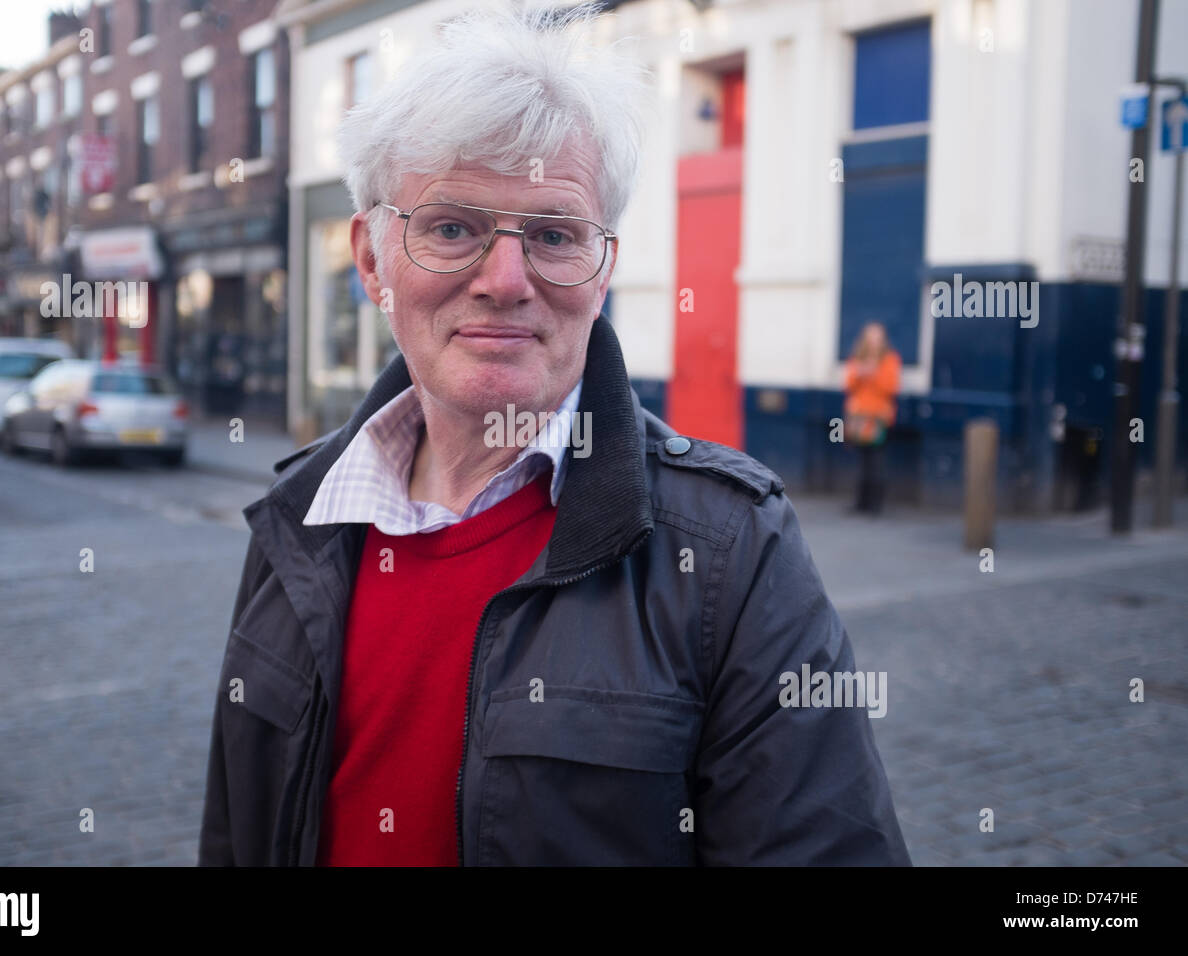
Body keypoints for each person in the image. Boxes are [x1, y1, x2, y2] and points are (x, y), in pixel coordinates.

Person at [198, 7, 910, 867]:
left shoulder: (732, 554)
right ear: (371, 258)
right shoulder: (297, 519)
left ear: (603, 269)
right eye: (452, 227)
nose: (506, 281)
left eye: (554, 235)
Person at [843, 322, 901, 515]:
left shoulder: (890, 360)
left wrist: (873, 374)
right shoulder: (857, 358)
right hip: (859, 416)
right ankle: (861, 502)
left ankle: (876, 505)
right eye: (870, 338)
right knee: (862, 461)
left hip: (878, 418)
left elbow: (891, 387)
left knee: (876, 461)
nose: (874, 342)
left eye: (877, 338)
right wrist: (860, 374)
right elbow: (849, 384)